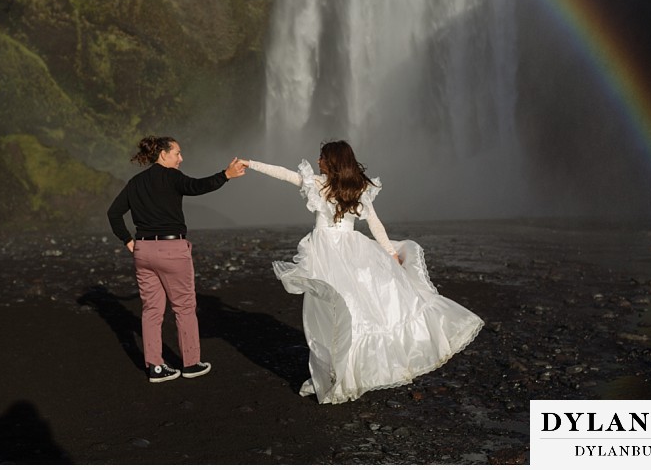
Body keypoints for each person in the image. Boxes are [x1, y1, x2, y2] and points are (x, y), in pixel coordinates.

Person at [238, 140, 483, 404]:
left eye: (321, 157)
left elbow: (373, 223)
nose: (317, 160)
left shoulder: (330, 186)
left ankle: (345, 375)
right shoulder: (348, 187)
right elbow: (373, 223)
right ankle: (343, 373)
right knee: (345, 311)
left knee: (338, 312)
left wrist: (391, 253)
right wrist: (251, 164)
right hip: (345, 251)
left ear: (331, 161)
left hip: (332, 255)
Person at [108, 135, 246, 383]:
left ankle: (156, 368)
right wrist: (226, 174)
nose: (181, 158)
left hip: (144, 251)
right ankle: (191, 364)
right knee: (184, 308)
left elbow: (113, 213)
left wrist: (129, 242)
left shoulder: (136, 182)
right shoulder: (172, 177)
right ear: (163, 154)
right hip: (173, 250)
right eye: (177, 153)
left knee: (151, 311)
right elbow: (197, 187)